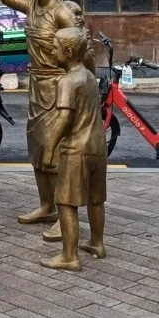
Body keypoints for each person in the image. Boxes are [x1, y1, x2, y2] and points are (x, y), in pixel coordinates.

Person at [0, 0, 95, 229]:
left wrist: (87, 86)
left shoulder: (61, 14)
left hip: (58, 85)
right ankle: (47, 206)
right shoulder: (31, 6)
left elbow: (81, 52)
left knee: (58, 151)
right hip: (37, 85)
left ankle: (65, 215)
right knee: (38, 148)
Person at [41, 26, 107, 271]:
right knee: (96, 199)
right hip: (98, 147)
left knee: (66, 202)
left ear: (68, 52)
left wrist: (49, 148)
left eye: (55, 48)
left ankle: (69, 256)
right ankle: (97, 243)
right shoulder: (89, 76)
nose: (52, 52)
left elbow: (64, 119)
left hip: (76, 149)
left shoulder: (67, 81)